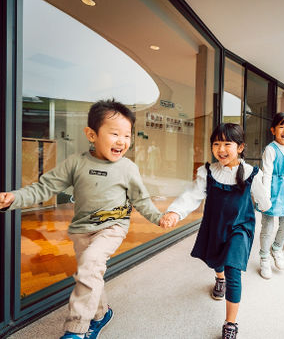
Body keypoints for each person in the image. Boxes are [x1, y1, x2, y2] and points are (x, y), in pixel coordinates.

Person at [0, 99, 166, 339]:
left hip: (113, 226)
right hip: (81, 230)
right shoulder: (75, 163)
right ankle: (102, 315)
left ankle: (76, 329)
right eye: (115, 133)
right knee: (91, 273)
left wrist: (159, 218)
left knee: (90, 265)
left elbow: (141, 199)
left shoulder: (127, 168)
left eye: (127, 135)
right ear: (91, 134)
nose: (122, 141)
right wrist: (12, 198)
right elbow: (43, 189)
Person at [160, 123, 270, 339]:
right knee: (217, 261)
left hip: (240, 227)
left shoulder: (251, 173)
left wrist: (265, 203)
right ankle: (219, 279)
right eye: (216, 144)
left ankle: (231, 323)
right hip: (215, 225)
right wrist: (174, 212)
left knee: (233, 269)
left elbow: (264, 201)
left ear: (240, 147)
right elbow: (192, 195)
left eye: (227, 143)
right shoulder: (208, 172)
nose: (221, 149)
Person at [258, 112, 284, 279]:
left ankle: (277, 248)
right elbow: (267, 173)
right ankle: (264, 258)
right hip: (272, 190)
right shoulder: (270, 149)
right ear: (273, 129)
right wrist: (265, 197)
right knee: (267, 227)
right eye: (281, 126)